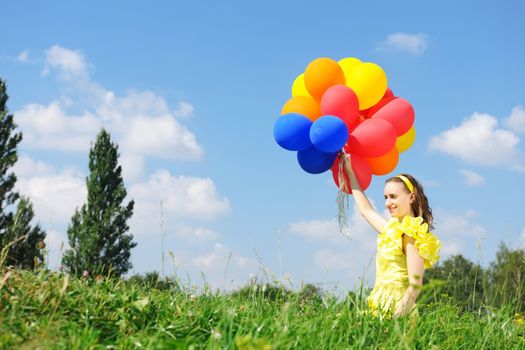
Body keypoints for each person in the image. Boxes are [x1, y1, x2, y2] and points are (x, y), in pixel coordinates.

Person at [341, 154, 441, 318]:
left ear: (411, 197)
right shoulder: (391, 230)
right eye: (386, 197)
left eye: (393, 196)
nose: (388, 203)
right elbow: (366, 211)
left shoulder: (412, 234)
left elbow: (415, 285)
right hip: (379, 305)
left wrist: (397, 317)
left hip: (398, 309)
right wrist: (350, 171)